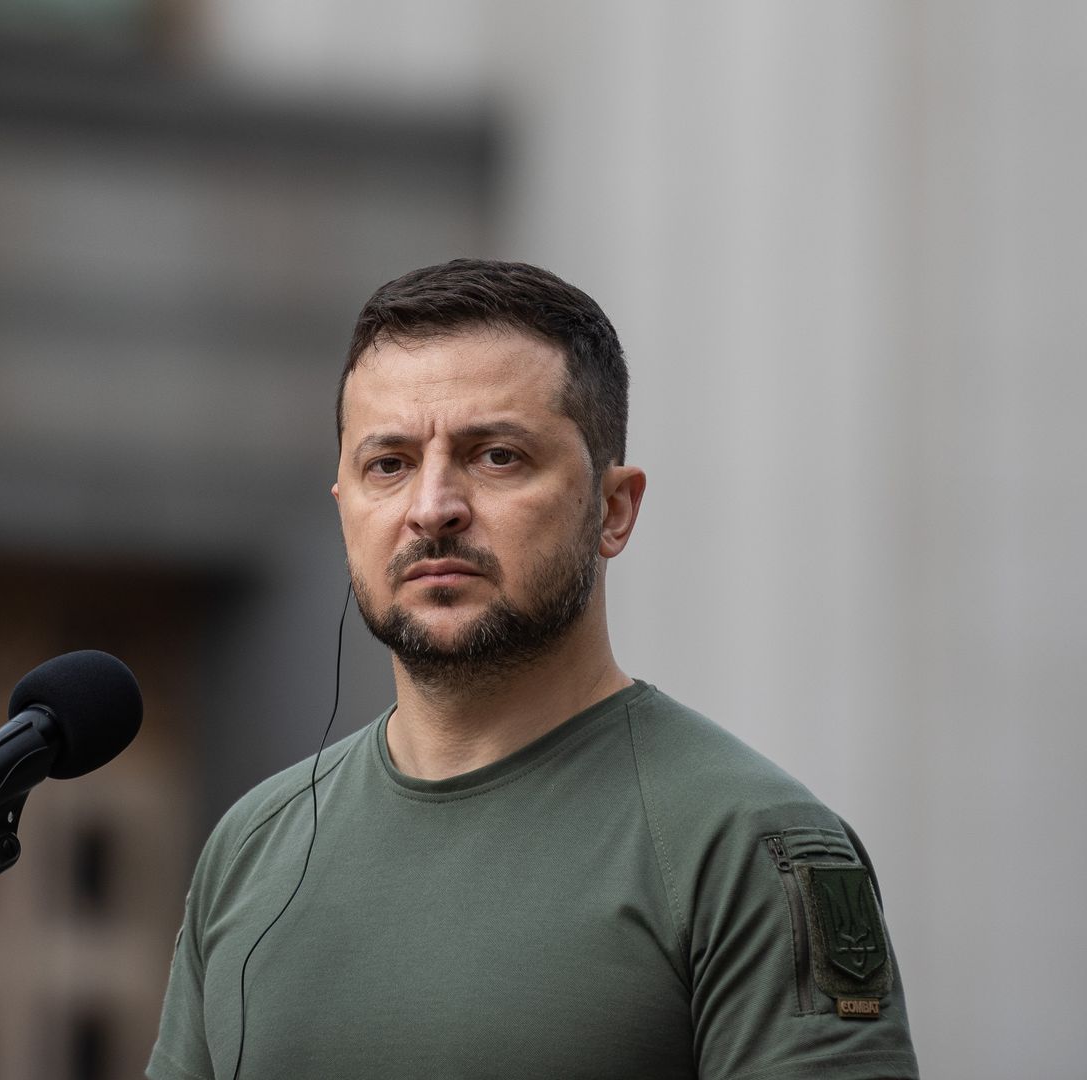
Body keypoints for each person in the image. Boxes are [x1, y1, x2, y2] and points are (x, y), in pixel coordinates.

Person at [147, 260, 919, 1079]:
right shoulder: (251, 847)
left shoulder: (750, 846)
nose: (432, 506)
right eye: (390, 463)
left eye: (498, 457)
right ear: (345, 506)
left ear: (613, 510)